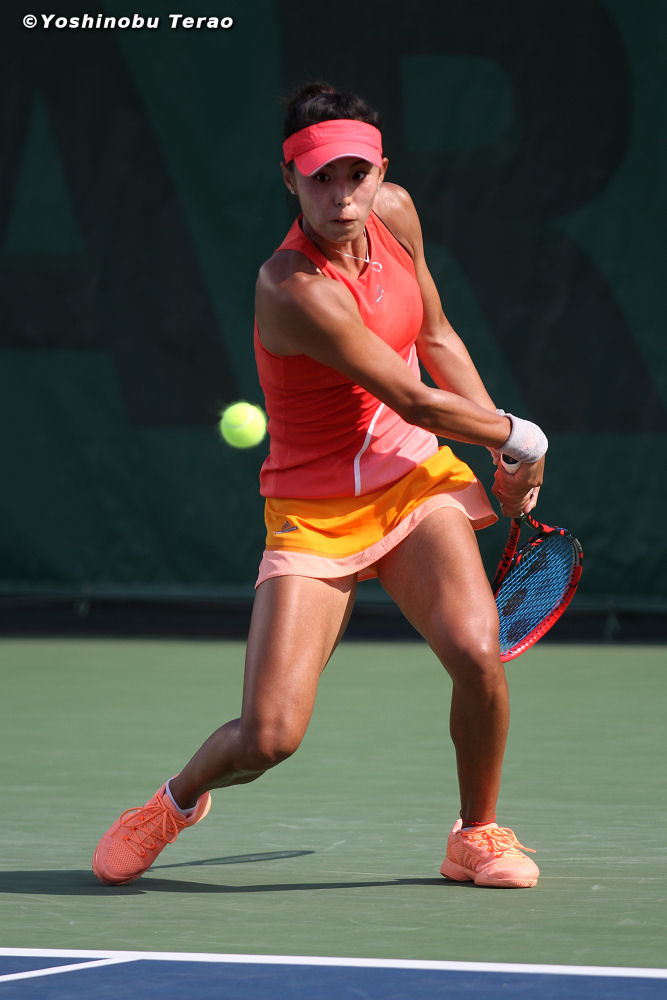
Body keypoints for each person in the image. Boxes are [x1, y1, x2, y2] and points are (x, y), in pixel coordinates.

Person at [92, 83, 547, 890]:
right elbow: (410, 395)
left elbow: (437, 336)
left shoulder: (395, 217)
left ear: (381, 173)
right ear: (289, 179)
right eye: (320, 179)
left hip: (412, 479)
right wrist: (520, 440)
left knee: (478, 654)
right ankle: (174, 802)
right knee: (267, 736)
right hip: (314, 512)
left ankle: (475, 833)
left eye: (355, 175)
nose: (340, 198)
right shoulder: (290, 288)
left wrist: (498, 461)